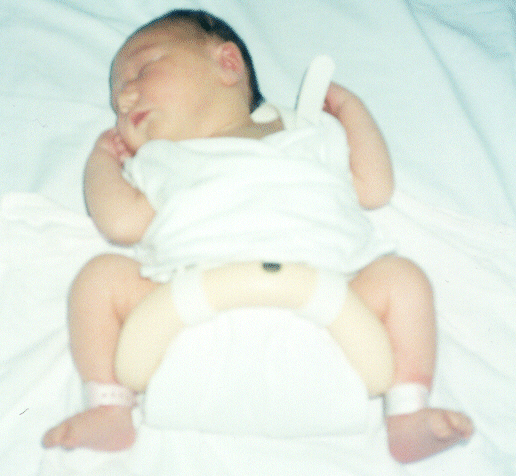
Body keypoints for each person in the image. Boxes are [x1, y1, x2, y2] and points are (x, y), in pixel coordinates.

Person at [43, 9, 473, 461]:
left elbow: (374, 188)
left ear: (227, 63)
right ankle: (109, 408)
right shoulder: (160, 161)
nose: (125, 98)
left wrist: (352, 112)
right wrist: (103, 161)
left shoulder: (310, 135)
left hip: (334, 310)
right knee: (100, 277)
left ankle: (408, 413)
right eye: (117, 101)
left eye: (142, 71)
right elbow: (120, 223)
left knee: (403, 279)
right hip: (181, 311)